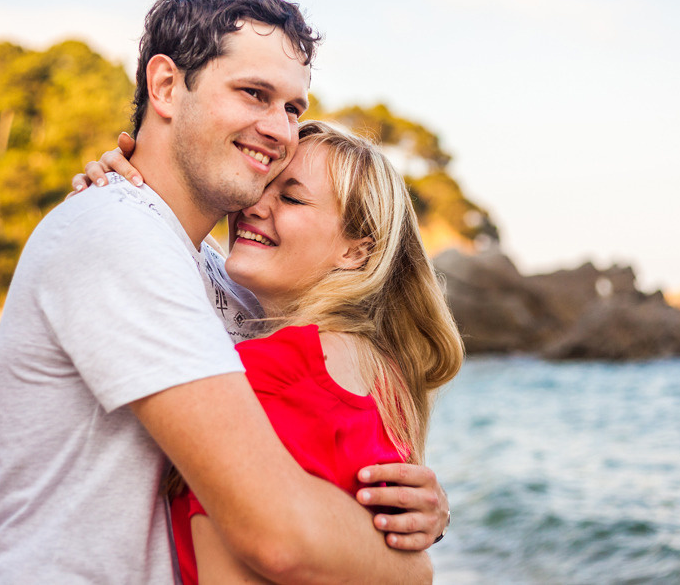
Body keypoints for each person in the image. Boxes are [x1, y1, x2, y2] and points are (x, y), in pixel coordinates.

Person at [0, 0, 446, 583]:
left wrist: (416, 512)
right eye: (254, 93)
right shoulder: (118, 234)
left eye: (292, 108)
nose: (280, 130)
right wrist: (414, 568)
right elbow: (277, 535)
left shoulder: (225, 277)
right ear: (166, 86)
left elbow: (322, 430)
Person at [82, 120, 463, 583]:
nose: (254, 204)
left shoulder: (270, 371)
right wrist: (131, 187)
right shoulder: (382, 376)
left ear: (356, 252)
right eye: (261, 185)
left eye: (292, 198)